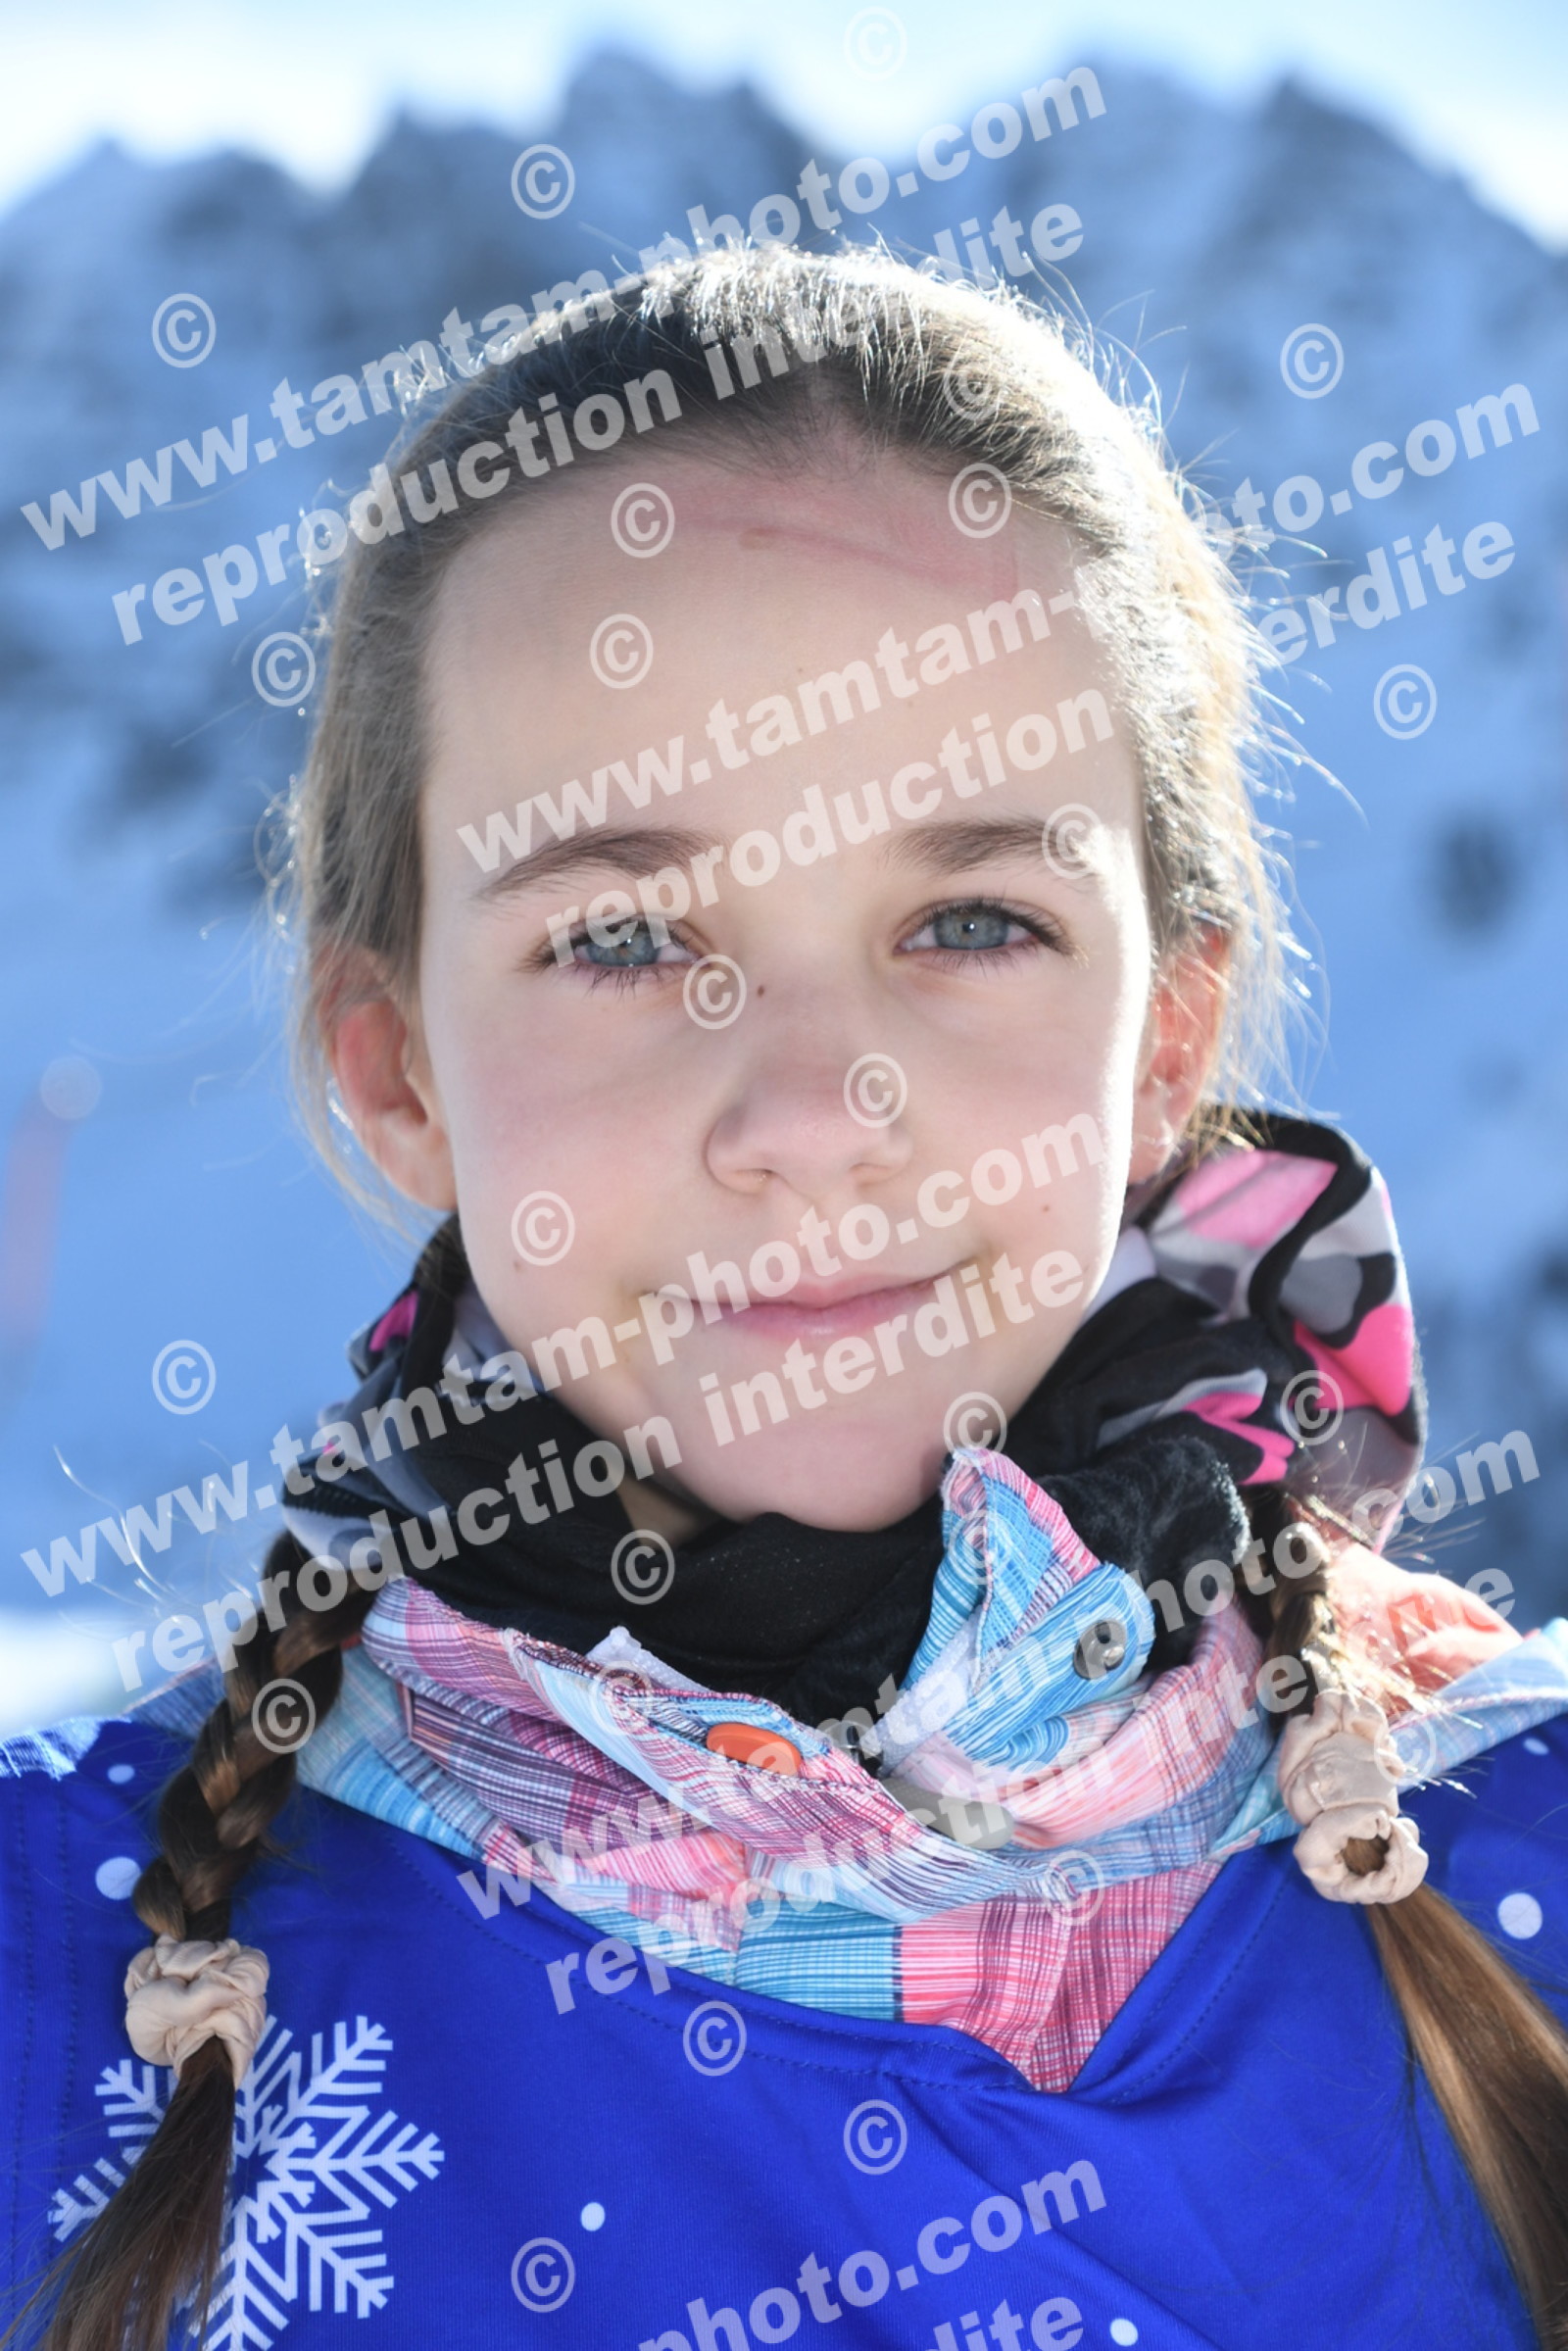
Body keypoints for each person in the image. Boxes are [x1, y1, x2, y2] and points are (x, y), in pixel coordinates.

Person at [4, 245, 1567, 2351]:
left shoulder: (1513, 1845)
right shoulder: (63, 1985)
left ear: (1168, 1044)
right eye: (624, 940)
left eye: (971, 920)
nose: (818, 1116)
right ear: (398, 1069)